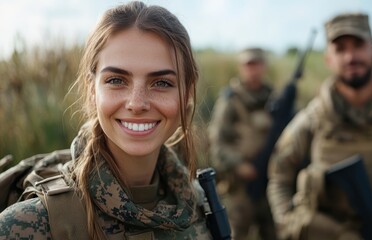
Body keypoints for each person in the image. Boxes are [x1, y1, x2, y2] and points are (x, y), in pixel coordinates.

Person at [0, 1, 213, 239]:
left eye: (162, 83)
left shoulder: (201, 205)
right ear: (92, 89)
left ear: (188, 93)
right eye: (116, 80)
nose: (137, 103)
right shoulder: (27, 225)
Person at [267, 12, 372, 240]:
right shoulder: (312, 120)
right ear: (328, 59)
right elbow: (278, 176)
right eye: (340, 48)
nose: (350, 56)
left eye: (358, 45)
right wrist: (289, 224)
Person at [208, 47, 277, 240]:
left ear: (264, 66)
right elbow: (217, 142)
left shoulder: (273, 98)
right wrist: (239, 164)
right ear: (241, 67)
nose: (253, 70)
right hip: (241, 186)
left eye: (257, 64)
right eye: (248, 65)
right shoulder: (231, 99)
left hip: (270, 180)